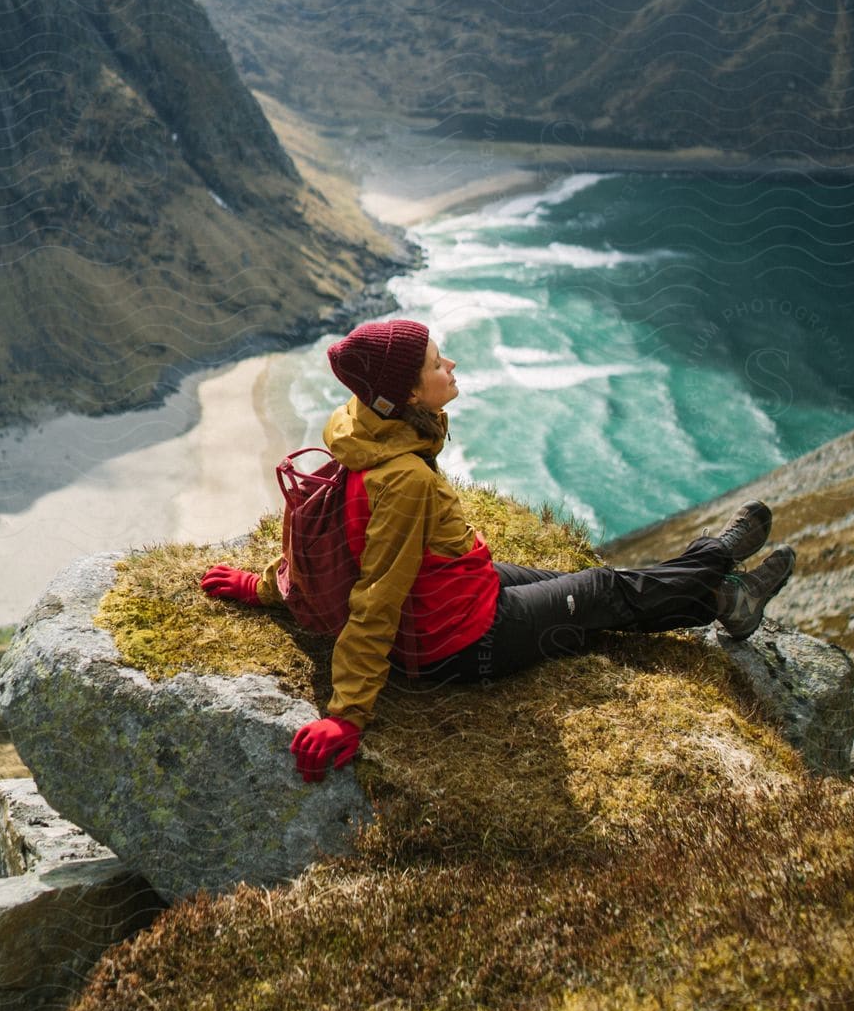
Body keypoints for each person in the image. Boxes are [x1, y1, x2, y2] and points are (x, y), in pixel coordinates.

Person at [200, 318, 795, 784]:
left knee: (591, 589)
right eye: (436, 363)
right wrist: (346, 712)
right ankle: (719, 571)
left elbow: (342, 542)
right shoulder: (403, 479)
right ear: (407, 392)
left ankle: (720, 591)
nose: (451, 364)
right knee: (603, 592)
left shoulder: (364, 427)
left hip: (455, 588)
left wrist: (264, 588)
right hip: (459, 641)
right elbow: (376, 589)